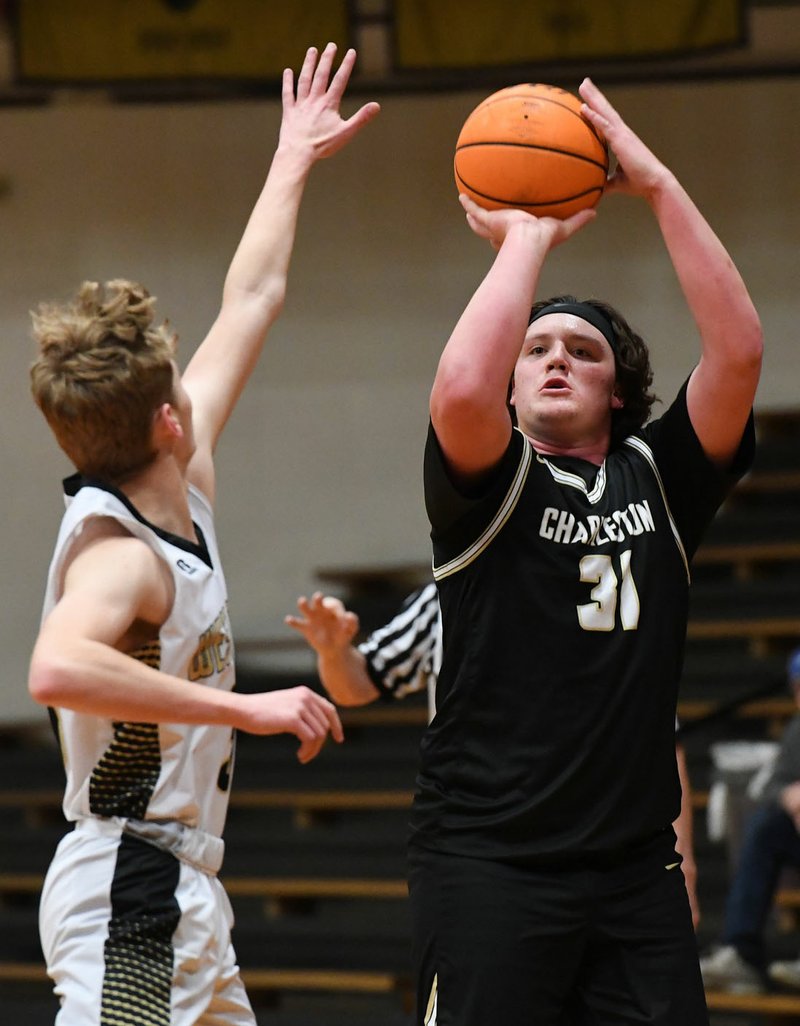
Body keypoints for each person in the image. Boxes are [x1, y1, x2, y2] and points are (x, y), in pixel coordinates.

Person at [27, 44, 379, 1026]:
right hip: (130, 887)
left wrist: (293, 157)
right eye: (181, 374)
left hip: (180, 892)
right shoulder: (122, 555)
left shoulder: (177, 469)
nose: (196, 373)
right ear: (166, 420)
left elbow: (252, 297)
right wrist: (248, 710)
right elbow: (54, 669)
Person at [408, 76, 761, 1026]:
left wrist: (658, 187)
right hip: (491, 862)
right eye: (536, 350)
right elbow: (455, 392)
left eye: (585, 350)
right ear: (513, 391)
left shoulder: (662, 481)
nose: (557, 357)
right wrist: (525, 241)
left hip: (632, 869)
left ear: (618, 393)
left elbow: (736, 352)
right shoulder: (491, 481)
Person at [287, 584, 700, 925]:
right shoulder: (446, 597)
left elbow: (661, 741)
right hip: (484, 856)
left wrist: (684, 864)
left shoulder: (601, 594)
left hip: (602, 853)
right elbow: (358, 683)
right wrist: (333, 653)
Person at [699, 648, 800, 994]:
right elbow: (773, 784)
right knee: (765, 828)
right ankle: (742, 953)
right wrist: (789, 796)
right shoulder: (796, 731)